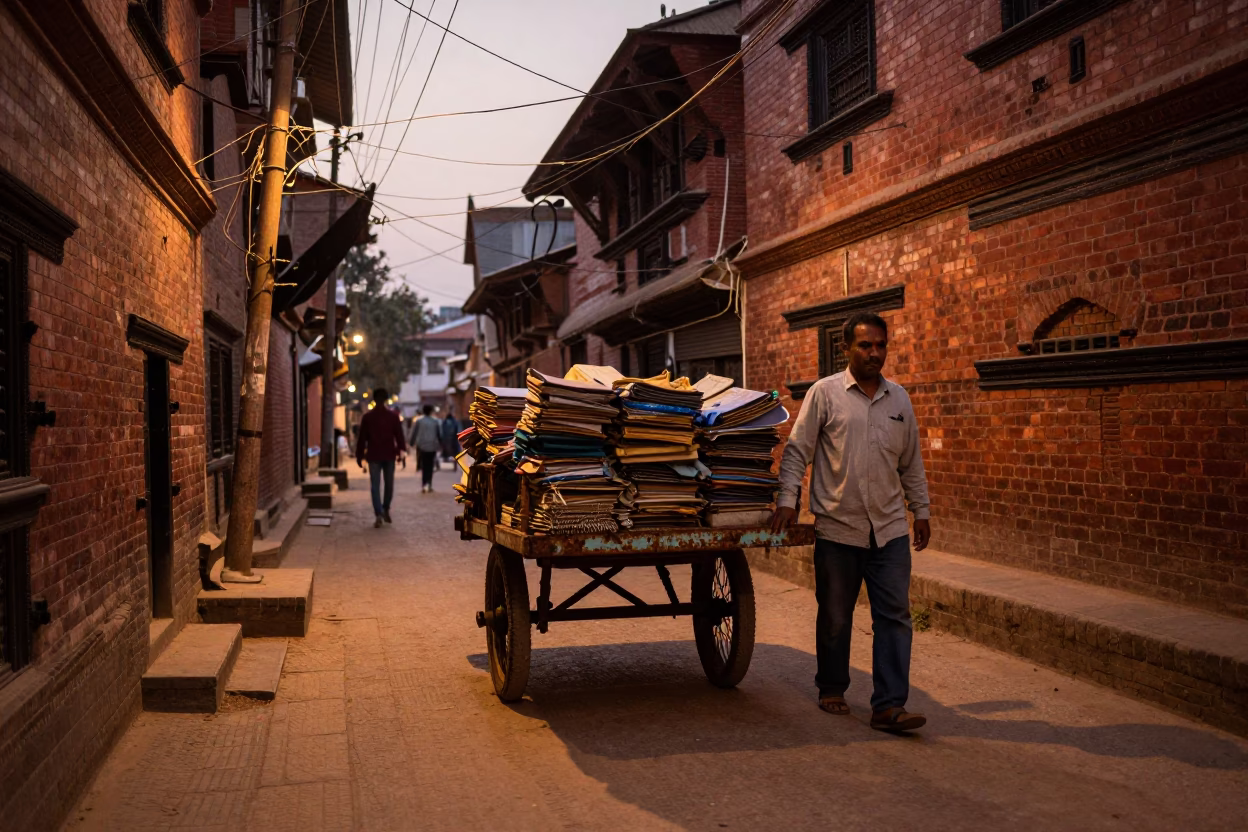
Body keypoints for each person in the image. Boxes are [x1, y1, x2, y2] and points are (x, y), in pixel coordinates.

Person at [771, 311, 932, 733]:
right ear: (846, 349)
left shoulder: (899, 399)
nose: (874, 353)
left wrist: (922, 510)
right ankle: (831, 687)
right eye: (865, 345)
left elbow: (911, 461)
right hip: (839, 527)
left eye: (881, 345)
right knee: (837, 614)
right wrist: (789, 499)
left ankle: (889, 705)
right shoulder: (824, 394)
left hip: (890, 528)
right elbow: (797, 451)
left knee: (894, 615)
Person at [355, 387, 407, 528]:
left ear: (374, 399)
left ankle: (378, 513)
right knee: (389, 485)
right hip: (389, 454)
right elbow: (400, 437)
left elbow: (362, 440)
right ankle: (385, 509)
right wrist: (402, 452)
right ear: (386, 399)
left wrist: (359, 456)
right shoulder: (393, 417)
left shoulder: (367, 417)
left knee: (375, 486)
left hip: (373, 455)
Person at [411, 404, 441, 493]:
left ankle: (424, 484)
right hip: (432, 446)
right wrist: (441, 443)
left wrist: (411, 442)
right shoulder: (435, 421)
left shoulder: (419, 421)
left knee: (424, 465)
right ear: (431, 411)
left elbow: (414, 433)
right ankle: (429, 484)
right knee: (430, 465)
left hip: (422, 446)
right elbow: (439, 434)